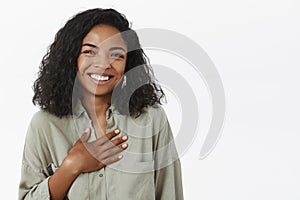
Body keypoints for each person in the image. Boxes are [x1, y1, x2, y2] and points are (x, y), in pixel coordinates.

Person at [19, 8, 184, 200]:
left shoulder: (152, 119)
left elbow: (170, 193)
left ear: (128, 64)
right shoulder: (44, 125)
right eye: (89, 51)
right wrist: (72, 165)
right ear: (72, 58)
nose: (104, 63)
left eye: (116, 55)